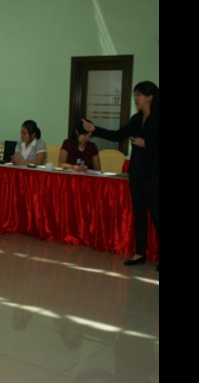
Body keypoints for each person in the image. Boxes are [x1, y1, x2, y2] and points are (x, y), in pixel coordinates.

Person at [83, 81, 159, 269]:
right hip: (136, 174)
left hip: (154, 175)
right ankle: (139, 252)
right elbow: (117, 135)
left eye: (139, 95)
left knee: (157, 215)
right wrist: (95, 129)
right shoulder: (136, 119)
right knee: (139, 214)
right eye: (135, 95)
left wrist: (146, 144)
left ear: (150, 97)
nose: (136, 99)